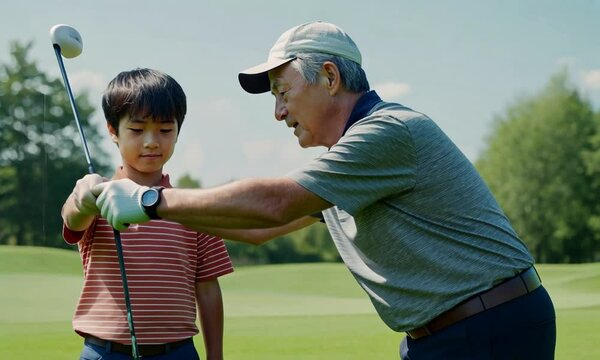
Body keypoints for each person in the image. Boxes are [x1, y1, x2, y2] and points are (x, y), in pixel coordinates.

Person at [91, 22, 556, 359]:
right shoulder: (348, 168)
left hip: (489, 328)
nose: (278, 112)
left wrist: (150, 199)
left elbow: (276, 204)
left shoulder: (389, 131)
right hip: (453, 334)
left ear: (330, 78)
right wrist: (151, 210)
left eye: (282, 92)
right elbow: (257, 230)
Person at [61, 68, 233, 360]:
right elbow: (72, 219)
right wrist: (84, 198)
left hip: (177, 351)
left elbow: (207, 287)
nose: (152, 141)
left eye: (165, 130)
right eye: (137, 130)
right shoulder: (98, 195)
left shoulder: (191, 208)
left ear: (178, 131)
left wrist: (215, 355)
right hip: (104, 352)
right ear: (113, 131)